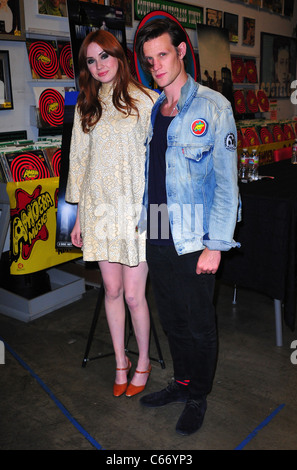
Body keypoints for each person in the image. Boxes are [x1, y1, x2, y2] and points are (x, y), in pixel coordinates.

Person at [135, 17, 240, 435]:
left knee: (198, 323)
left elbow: (227, 184)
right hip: (157, 229)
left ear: (181, 52)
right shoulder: (152, 110)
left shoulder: (214, 107)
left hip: (196, 235)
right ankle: (179, 383)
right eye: (149, 59)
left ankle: (198, 394)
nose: (156, 65)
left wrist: (216, 244)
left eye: (163, 54)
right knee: (173, 318)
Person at [65, 30, 157, 398]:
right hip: (98, 209)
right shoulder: (86, 105)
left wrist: (161, 219)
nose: (99, 65)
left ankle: (144, 360)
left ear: (120, 55)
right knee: (113, 290)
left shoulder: (149, 100)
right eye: (91, 60)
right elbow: (78, 162)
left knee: (136, 296)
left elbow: (161, 165)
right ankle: (120, 361)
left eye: (105, 56)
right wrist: (77, 218)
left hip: (138, 212)